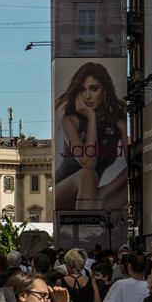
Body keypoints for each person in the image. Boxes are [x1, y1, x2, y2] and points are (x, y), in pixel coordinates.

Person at [55, 62, 129, 211]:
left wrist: (105, 191)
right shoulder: (69, 120)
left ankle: (102, 230)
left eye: (94, 89)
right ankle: (87, 229)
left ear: (105, 91)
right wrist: (91, 117)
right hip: (64, 193)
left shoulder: (117, 121)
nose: (87, 96)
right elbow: (88, 163)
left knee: (135, 180)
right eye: (82, 90)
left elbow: (132, 165)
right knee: (88, 174)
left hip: (93, 196)